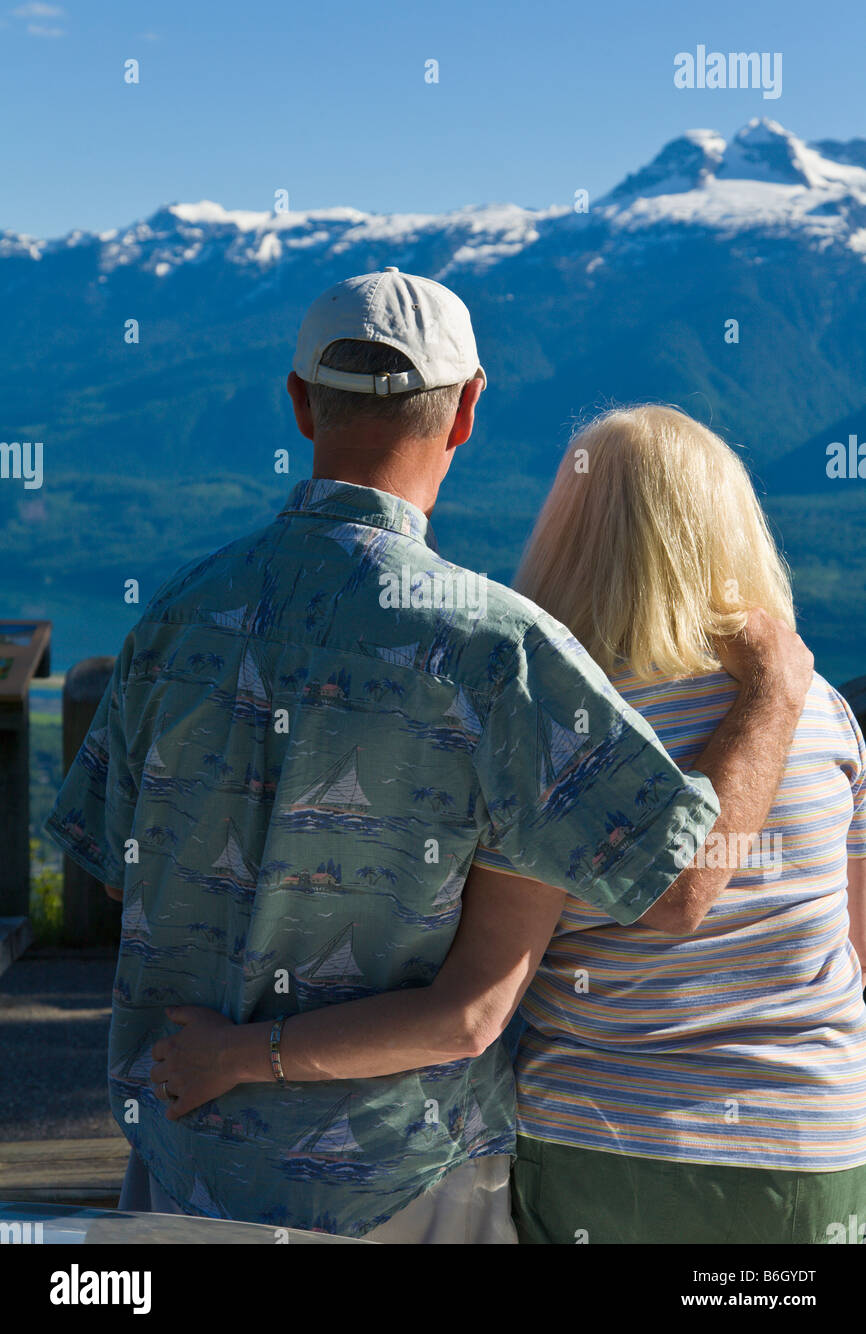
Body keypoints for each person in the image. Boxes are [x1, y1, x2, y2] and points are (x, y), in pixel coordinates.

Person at [46, 275, 811, 1243]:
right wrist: (775, 693)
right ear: (466, 411)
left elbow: (117, 870)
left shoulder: (170, 619)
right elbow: (676, 890)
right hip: (407, 1189)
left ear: (296, 403)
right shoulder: (501, 655)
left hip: (177, 1166)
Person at [483, 405, 866, 1244]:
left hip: (604, 1142)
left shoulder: (550, 728)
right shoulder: (826, 717)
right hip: (809, 1144)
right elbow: (856, 947)